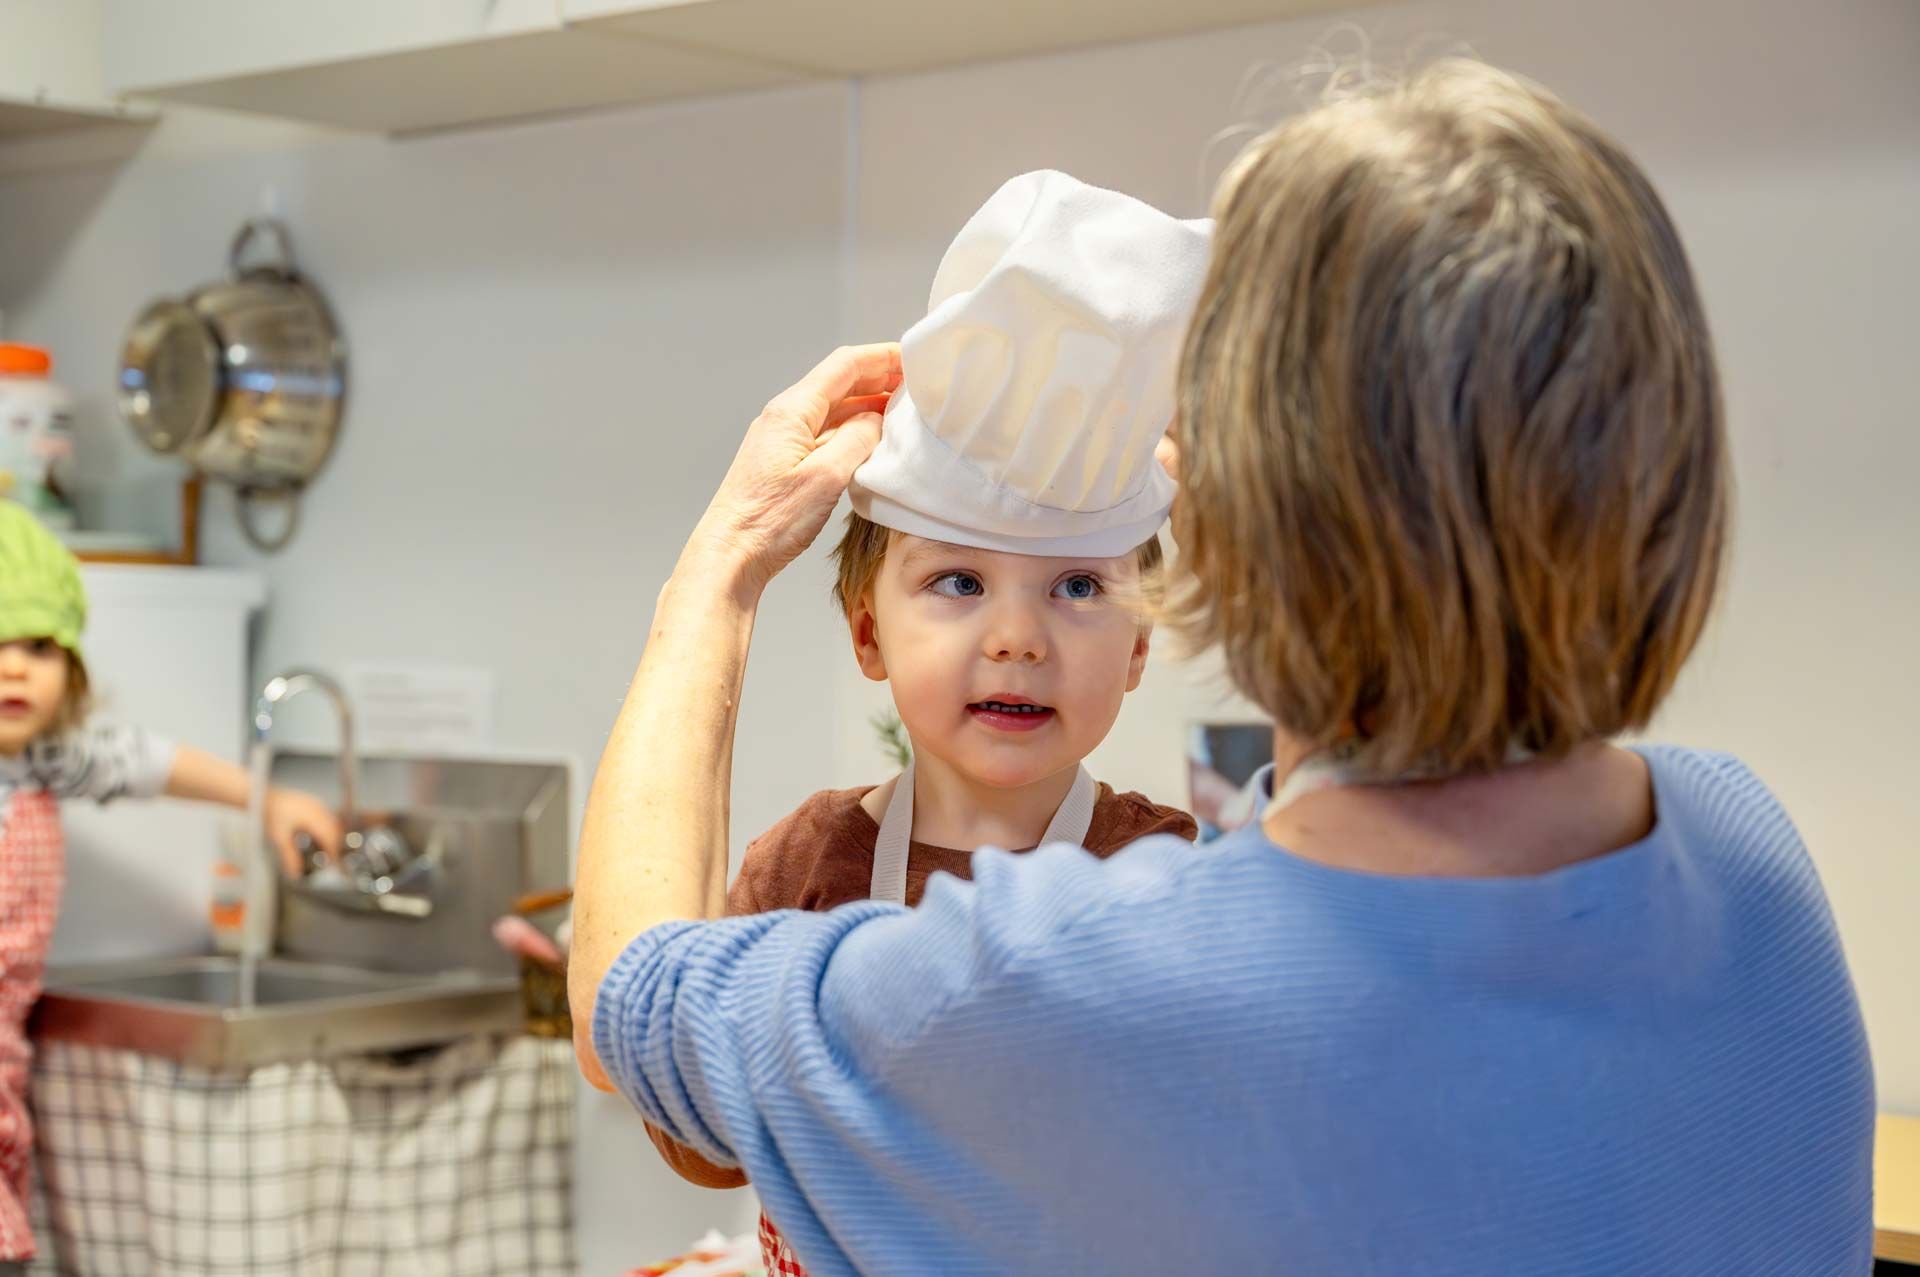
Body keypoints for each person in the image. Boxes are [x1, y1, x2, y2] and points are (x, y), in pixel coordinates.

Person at [570, 60, 1874, 1274]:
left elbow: (625, 1000)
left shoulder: (1065, 986)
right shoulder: (1748, 846)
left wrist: (726, 560)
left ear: (1217, 533)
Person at [638, 171, 1202, 1270]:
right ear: (866, 633)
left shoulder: (1159, 868)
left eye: (1079, 587)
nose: (1019, 637)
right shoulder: (809, 857)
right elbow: (694, 1140)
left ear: (1139, 646)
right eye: (957, 582)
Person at [0, 502, 342, 1271]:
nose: (15, 666)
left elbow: (153, 762)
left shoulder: (49, 759)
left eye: (38, 646)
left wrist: (269, 798)